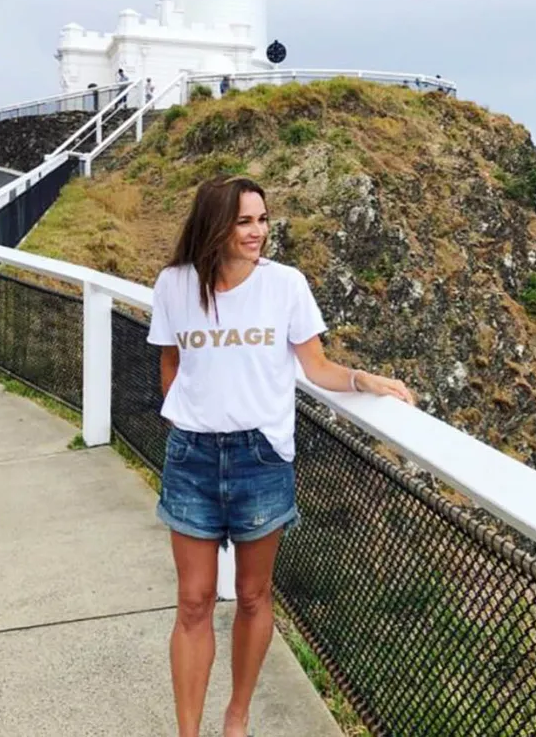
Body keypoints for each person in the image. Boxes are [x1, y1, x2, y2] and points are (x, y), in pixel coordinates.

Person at [147, 176, 415, 737]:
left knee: (252, 595)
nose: (259, 231)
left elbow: (315, 367)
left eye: (262, 219)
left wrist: (365, 380)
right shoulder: (174, 284)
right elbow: (171, 364)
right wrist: (182, 416)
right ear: (216, 224)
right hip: (191, 458)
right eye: (245, 221)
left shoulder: (285, 286)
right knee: (193, 603)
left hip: (261, 457)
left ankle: (237, 717)